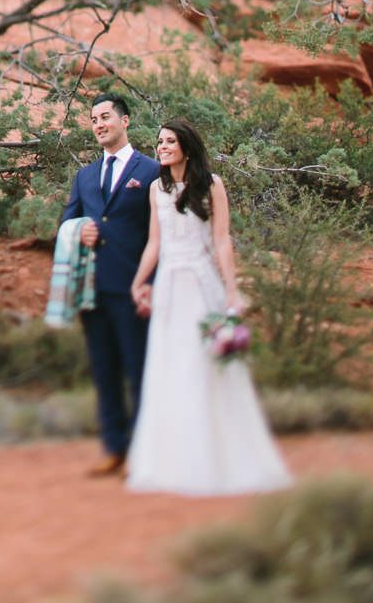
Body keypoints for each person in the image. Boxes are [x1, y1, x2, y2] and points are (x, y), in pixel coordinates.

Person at [125, 118, 291, 495]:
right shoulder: (156, 189)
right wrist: (139, 282)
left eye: (169, 141)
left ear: (186, 146)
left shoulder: (212, 185)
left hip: (202, 285)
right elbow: (155, 242)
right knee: (171, 364)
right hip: (168, 285)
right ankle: (172, 462)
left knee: (204, 363)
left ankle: (218, 459)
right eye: (159, 141)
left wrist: (232, 290)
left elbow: (221, 242)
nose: (161, 147)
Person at [60, 93, 160, 476]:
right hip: (93, 290)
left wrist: (152, 283)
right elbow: (65, 225)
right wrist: (77, 230)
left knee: (139, 371)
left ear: (125, 121)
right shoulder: (84, 176)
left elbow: (161, 232)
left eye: (105, 117)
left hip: (136, 288)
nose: (99, 124)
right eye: (93, 119)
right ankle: (114, 449)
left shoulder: (151, 171)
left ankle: (144, 453)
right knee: (104, 372)